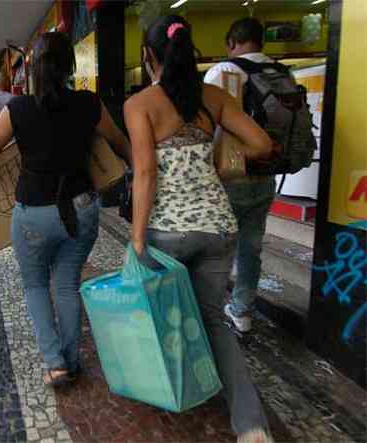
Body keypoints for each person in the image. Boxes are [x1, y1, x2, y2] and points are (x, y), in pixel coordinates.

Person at [124, 16, 274, 443]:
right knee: (212, 320)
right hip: (217, 227)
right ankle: (251, 425)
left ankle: (177, 394)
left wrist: (136, 240)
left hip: (165, 233)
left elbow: (146, 172)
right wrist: (216, 164)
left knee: (163, 315)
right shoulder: (214, 97)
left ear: (148, 56)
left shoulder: (140, 105)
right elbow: (262, 144)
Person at [0, 32, 131, 387]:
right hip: (81, 210)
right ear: (70, 67)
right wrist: (141, 173)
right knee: (66, 284)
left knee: (35, 286)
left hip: (34, 213)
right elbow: (119, 143)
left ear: (32, 69)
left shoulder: (17, 109)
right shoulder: (90, 103)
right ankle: (72, 360)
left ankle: (55, 363)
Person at [203, 18, 278, 333]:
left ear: (231, 41)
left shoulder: (225, 72)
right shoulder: (279, 72)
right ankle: (243, 313)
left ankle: (209, 315)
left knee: (215, 249)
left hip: (231, 175)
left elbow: (206, 125)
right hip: (267, 174)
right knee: (251, 246)